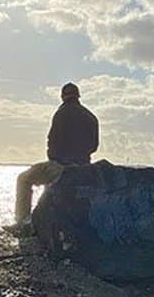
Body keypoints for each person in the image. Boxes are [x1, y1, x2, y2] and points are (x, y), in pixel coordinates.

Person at [14, 82, 99, 223]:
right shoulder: (91, 117)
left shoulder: (61, 113)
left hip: (62, 167)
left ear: (62, 97)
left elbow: (52, 142)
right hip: (84, 168)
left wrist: (54, 160)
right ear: (78, 96)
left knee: (23, 179)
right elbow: (94, 146)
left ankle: (22, 221)